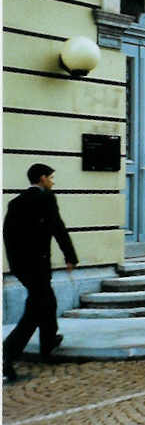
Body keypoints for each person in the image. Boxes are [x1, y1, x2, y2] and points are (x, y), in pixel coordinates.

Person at [3, 164, 78, 383]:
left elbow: (8, 237)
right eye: (51, 178)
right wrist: (70, 256)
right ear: (42, 178)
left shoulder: (15, 203)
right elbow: (58, 229)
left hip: (22, 267)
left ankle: (48, 341)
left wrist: (16, 265)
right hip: (38, 266)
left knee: (46, 301)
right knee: (35, 310)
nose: (53, 182)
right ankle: (7, 354)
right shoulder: (47, 199)